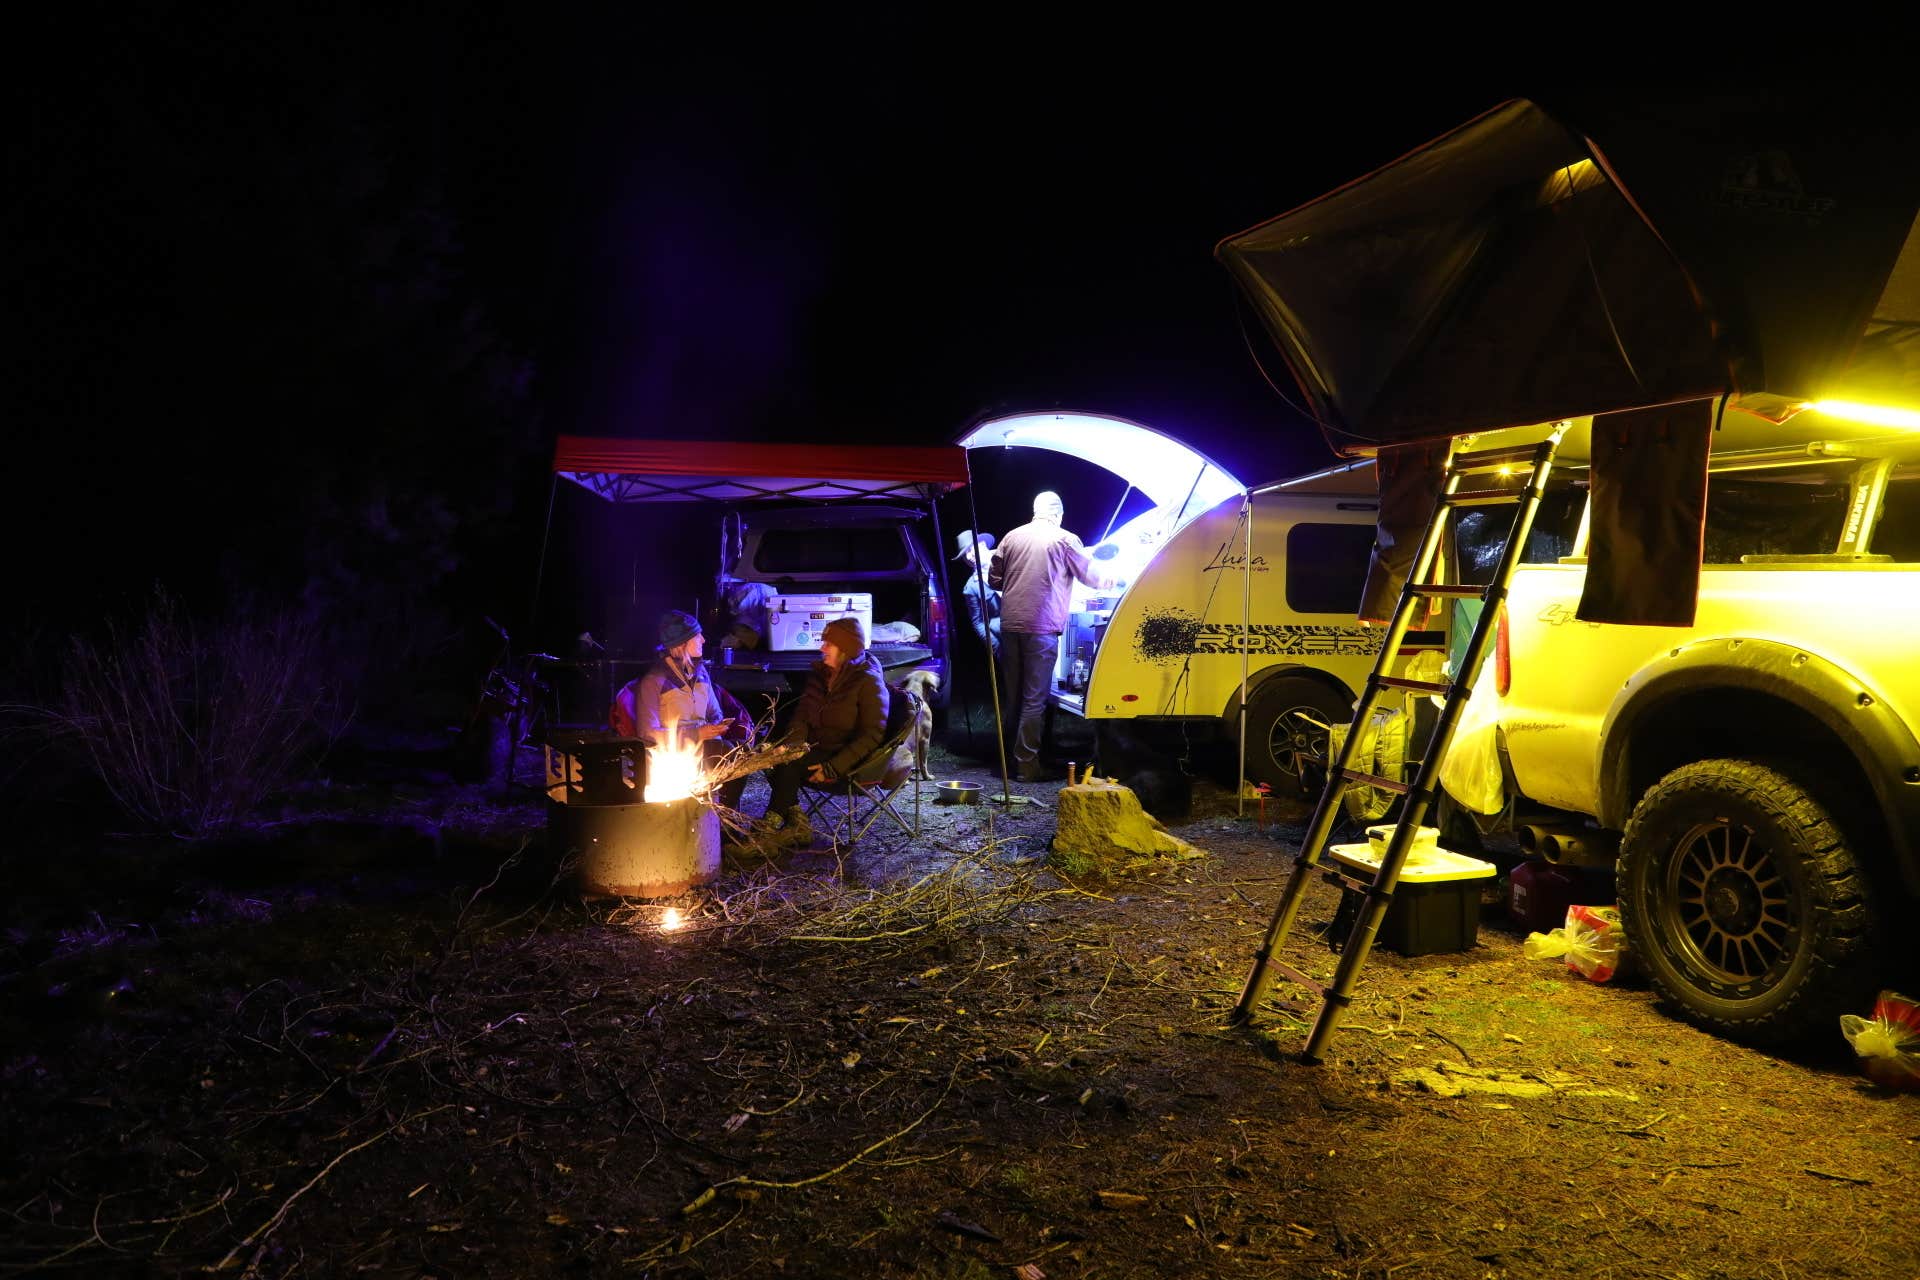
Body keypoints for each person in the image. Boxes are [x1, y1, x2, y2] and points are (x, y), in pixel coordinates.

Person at [988, 491, 1117, 781]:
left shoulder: (1012, 537)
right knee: (1034, 700)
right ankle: (1027, 766)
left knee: (1014, 699)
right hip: (1042, 627)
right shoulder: (1065, 539)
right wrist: (1114, 576)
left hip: (1010, 626)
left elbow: (993, 579)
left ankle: (1008, 761)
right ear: (1058, 513)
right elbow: (1094, 578)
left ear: (1035, 511)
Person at [753, 615, 891, 844]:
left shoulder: (868, 681)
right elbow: (802, 717)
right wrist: (793, 747)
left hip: (845, 759)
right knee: (772, 756)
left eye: (828, 643)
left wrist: (832, 768)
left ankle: (771, 824)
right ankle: (795, 822)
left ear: (845, 649)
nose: (822, 647)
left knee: (788, 766)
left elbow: (872, 736)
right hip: (815, 749)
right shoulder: (820, 675)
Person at [610, 610, 754, 808]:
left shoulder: (701, 673)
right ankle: (720, 823)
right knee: (727, 753)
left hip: (707, 745)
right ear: (681, 644)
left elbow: (715, 712)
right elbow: (647, 732)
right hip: (674, 753)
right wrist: (697, 734)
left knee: (740, 752)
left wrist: (716, 727)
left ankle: (722, 819)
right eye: (697, 636)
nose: (703, 640)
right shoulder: (654, 681)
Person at [952, 529, 1000, 657]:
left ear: (982, 544)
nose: (968, 557)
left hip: (1031, 631)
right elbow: (978, 623)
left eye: (970, 550)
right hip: (1005, 641)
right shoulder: (971, 587)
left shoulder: (1007, 559)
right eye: (964, 555)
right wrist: (997, 647)